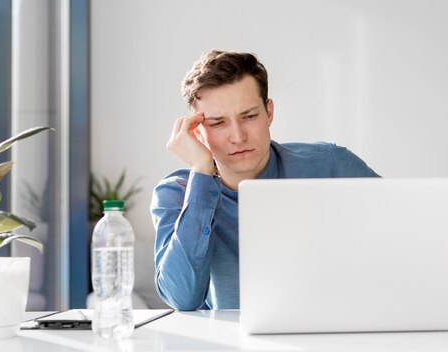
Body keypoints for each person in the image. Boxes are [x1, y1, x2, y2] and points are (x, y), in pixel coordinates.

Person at [151, 50, 379, 311]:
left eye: (249, 116)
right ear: (197, 131)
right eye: (218, 123)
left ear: (269, 112)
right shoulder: (176, 194)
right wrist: (202, 170)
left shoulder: (330, 164)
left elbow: (404, 232)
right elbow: (182, 298)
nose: (238, 137)